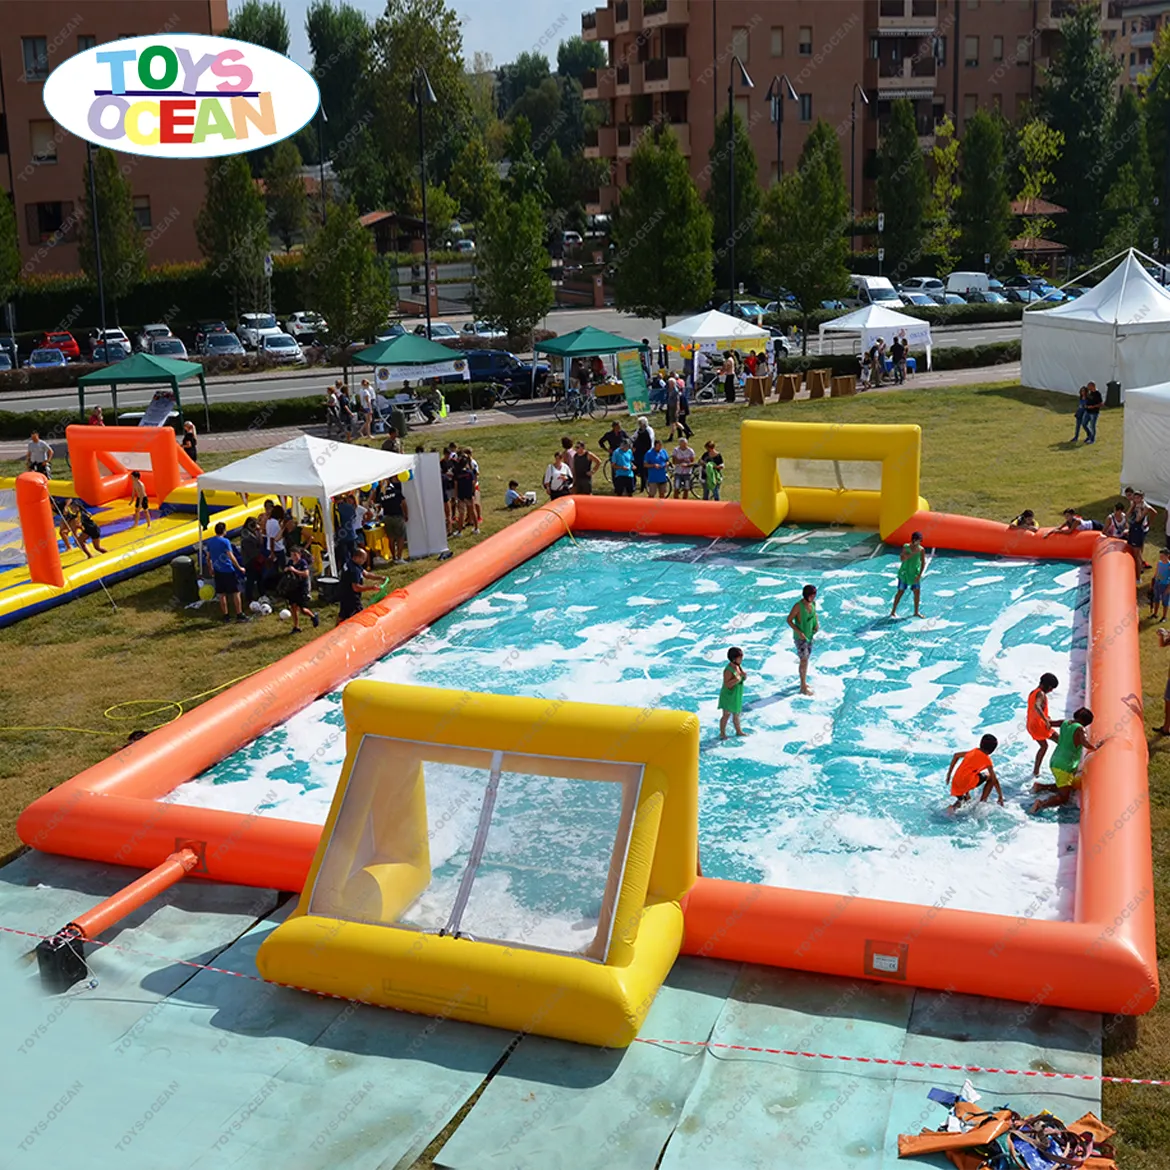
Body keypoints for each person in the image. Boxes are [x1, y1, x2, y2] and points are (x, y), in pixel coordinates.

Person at [1031, 708, 1102, 813]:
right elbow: (1085, 743)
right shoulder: (1080, 729)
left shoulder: (1064, 722)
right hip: (1064, 766)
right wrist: (1096, 747)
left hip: (1055, 760)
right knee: (1064, 798)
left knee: (1067, 785)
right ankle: (1041, 804)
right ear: (1085, 722)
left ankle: (1040, 787)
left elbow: (1049, 723)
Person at [946, 734, 1003, 811]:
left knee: (964, 800)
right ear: (992, 750)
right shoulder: (987, 760)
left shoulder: (972, 752)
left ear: (980, 743)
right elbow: (994, 780)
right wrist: (1000, 796)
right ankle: (982, 803)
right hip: (967, 781)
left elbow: (956, 755)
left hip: (956, 780)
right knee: (990, 777)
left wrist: (949, 774)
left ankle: (952, 808)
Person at [203, 521, 247, 622]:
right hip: (228, 570)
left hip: (218, 570)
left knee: (221, 594)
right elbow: (231, 556)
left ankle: (226, 615)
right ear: (224, 531)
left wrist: (211, 569)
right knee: (236, 592)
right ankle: (239, 614)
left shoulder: (210, 542)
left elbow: (208, 558)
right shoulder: (225, 541)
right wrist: (239, 567)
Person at [786, 584, 819, 696]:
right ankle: (802, 687)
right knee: (804, 660)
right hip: (800, 638)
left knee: (806, 659)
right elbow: (789, 620)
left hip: (810, 636)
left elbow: (814, 615)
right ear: (806, 595)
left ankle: (803, 682)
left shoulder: (813, 603)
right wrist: (799, 632)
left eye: (815, 595)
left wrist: (816, 624)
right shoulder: (798, 606)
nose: (814, 597)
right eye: (812, 595)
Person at [337, 547, 384, 623]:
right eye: (363, 559)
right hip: (351, 597)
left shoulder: (351, 563)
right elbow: (356, 587)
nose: (364, 561)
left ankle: (336, 630)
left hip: (343, 594)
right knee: (360, 614)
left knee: (343, 614)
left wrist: (380, 577)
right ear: (356, 557)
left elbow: (366, 574)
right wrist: (371, 588)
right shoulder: (354, 570)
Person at [1027, 673, 1059, 777]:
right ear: (1049, 687)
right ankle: (1063, 767)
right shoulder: (1041, 694)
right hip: (1040, 726)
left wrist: (1046, 716)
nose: (1051, 691)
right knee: (1062, 741)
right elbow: (1037, 706)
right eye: (1051, 688)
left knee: (1044, 746)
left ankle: (1036, 772)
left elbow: (1034, 709)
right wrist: (1045, 719)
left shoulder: (1033, 692)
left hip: (1031, 726)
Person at [280, 545, 319, 632]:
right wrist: (286, 570)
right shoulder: (290, 562)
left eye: (295, 555)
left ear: (299, 554)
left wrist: (294, 570)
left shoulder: (302, 563)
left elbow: (305, 574)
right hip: (292, 587)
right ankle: (296, 626)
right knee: (293, 607)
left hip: (301, 587)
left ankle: (313, 616)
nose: (293, 557)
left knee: (302, 609)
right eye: (292, 555)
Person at [890, 531, 926, 618]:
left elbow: (923, 562)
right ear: (913, 540)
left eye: (920, 541)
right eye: (918, 540)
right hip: (904, 573)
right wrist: (913, 553)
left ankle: (916, 612)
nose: (919, 542)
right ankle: (893, 611)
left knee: (917, 593)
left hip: (914, 574)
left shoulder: (921, 549)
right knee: (900, 592)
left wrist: (919, 575)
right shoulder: (906, 547)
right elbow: (902, 559)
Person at [718, 647, 747, 739]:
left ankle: (738, 731)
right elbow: (727, 685)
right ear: (734, 659)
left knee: (736, 714)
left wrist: (744, 676)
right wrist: (736, 679)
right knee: (726, 715)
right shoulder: (728, 670)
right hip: (728, 695)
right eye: (740, 657)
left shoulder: (738, 666)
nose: (742, 659)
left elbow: (741, 676)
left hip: (736, 694)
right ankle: (722, 733)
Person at [381, 475, 410, 563]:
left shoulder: (382, 493)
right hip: (397, 516)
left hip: (386, 517)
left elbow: (379, 504)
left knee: (391, 538)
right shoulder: (397, 491)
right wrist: (406, 514)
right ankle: (399, 557)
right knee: (400, 537)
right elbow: (403, 503)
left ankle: (393, 557)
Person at [239, 515, 266, 604]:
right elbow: (251, 550)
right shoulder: (246, 535)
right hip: (250, 560)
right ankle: (249, 597)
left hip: (256, 559)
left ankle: (262, 593)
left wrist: (259, 533)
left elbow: (260, 542)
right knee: (250, 579)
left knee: (259, 578)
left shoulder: (254, 533)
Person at [453, 450, 479, 535]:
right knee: (472, 510)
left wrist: (456, 496)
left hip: (461, 495)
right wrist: (473, 493)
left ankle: (460, 531)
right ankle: (476, 528)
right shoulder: (470, 472)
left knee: (461, 513)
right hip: (469, 494)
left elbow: (456, 485)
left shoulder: (457, 473)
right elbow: (473, 483)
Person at [632, 417, 655, 491]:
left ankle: (645, 483)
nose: (640, 425)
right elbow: (634, 437)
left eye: (641, 423)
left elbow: (650, 441)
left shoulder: (649, 430)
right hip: (639, 452)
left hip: (647, 451)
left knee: (645, 469)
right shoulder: (639, 430)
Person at [1151, 548, 1170, 620]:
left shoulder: (1169, 565)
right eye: (1160, 556)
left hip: (1165, 585)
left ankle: (1164, 617)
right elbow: (1157, 572)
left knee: (1165, 602)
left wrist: (1168, 588)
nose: (1161, 558)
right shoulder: (1159, 563)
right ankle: (1155, 614)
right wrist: (1153, 582)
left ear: (1167, 556)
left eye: (1162, 556)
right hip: (1157, 583)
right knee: (1156, 599)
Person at [665, 376, 680, 441]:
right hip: (670, 407)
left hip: (674, 408)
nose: (669, 384)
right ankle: (685, 432)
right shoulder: (670, 389)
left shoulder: (675, 391)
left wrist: (677, 410)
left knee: (673, 423)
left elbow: (677, 401)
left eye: (670, 383)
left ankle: (671, 436)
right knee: (674, 422)